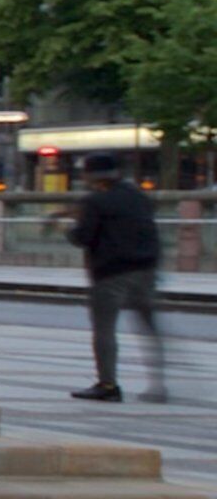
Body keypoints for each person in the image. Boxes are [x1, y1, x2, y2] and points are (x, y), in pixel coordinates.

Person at [68, 152, 168, 404]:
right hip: (145, 270)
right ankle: (159, 384)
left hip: (110, 273)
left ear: (91, 176)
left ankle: (108, 384)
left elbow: (83, 237)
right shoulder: (139, 197)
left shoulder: (95, 201)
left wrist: (67, 228)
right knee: (149, 329)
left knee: (105, 331)